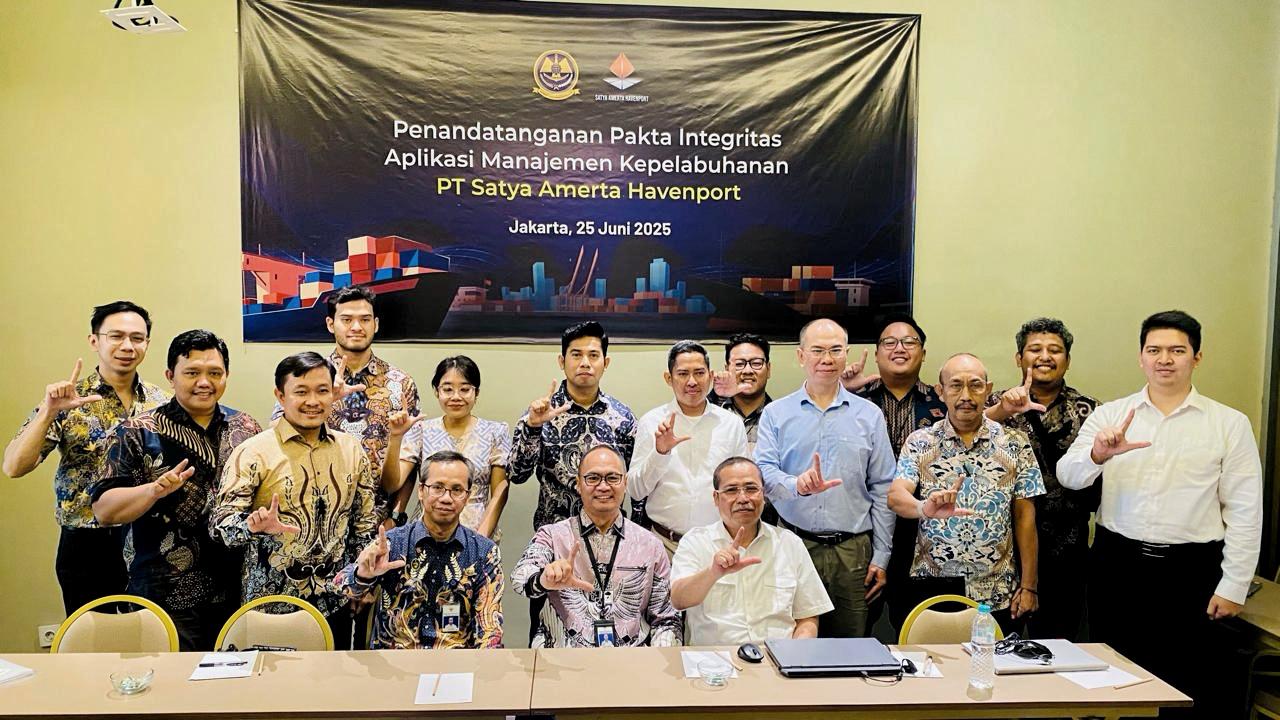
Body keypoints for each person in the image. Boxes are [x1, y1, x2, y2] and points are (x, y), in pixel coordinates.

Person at [1058, 310, 1262, 717]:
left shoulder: (1229, 424)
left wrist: (1234, 585)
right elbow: (1069, 476)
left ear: (1196, 358)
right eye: (1154, 350)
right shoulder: (1111, 415)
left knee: (1186, 682)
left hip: (1192, 571)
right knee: (1115, 678)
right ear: (1141, 358)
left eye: (1177, 351)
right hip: (1118, 564)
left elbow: (1245, 510)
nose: (1164, 359)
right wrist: (1098, 454)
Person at [92, 330, 261, 650]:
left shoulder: (246, 428)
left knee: (234, 678)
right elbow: (104, 511)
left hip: (234, 591)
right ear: (170, 376)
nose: (204, 382)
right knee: (169, 680)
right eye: (192, 373)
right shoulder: (136, 432)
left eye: (215, 373)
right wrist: (152, 491)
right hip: (161, 595)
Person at [3, 300, 168, 614]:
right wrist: (48, 413)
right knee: (93, 638)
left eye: (137, 338)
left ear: (147, 343)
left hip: (149, 541)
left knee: (150, 635)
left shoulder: (162, 403)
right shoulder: (68, 399)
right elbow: (13, 466)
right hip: (87, 544)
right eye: (116, 336)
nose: (127, 346)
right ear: (95, 341)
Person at [211, 352, 378, 649]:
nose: (313, 401)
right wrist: (252, 526)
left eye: (322, 391)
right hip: (268, 608)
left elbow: (363, 526)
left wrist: (362, 584)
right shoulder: (253, 451)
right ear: (280, 395)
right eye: (301, 392)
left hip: (334, 603)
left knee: (332, 679)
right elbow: (219, 526)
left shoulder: (352, 450)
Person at [754, 318, 897, 638]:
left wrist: (882, 555)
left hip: (852, 550)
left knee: (851, 643)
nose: (827, 359)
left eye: (835, 350)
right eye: (817, 350)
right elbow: (763, 473)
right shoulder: (777, 414)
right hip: (794, 544)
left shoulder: (869, 415)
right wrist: (796, 485)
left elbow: (883, 486)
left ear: (846, 354)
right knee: (791, 639)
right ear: (801, 356)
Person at [887, 353, 1045, 630]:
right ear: (940, 391)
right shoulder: (920, 442)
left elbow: (1025, 517)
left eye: (975, 385)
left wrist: (1029, 585)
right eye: (956, 385)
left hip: (997, 589)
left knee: (994, 657)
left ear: (988, 389)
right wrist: (924, 508)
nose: (966, 396)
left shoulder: (1015, 443)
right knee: (934, 657)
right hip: (933, 586)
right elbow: (896, 497)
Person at [509, 321, 637, 643]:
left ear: (606, 362)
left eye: (593, 355)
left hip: (609, 547)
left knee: (608, 633)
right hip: (554, 547)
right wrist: (533, 427)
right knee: (549, 634)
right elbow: (517, 474)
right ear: (561, 360)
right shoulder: (540, 412)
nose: (584, 363)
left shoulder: (622, 418)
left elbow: (634, 484)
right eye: (576, 354)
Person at [984, 318, 1098, 640]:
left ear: (1067, 360)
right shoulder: (996, 404)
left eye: (1055, 350)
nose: (1045, 357)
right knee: (995, 641)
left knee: (1057, 644)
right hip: (1002, 547)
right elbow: (962, 436)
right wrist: (1002, 412)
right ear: (1019, 358)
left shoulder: (1089, 411)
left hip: (1067, 548)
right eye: (1035, 349)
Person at [275, 285, 420, 527]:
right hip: (311, 518)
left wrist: (395, 518)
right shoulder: (306, 377)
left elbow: (408, 464)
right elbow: (277, 436)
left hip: (376, 524)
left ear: (376, 324)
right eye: (347, 319)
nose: (356, 327)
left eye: (365, 319)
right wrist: (325, 398)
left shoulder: (401, 383)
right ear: (331, 324)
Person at [512, 445, 680, 648]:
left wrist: (656, 660)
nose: (603, 486)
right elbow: (519, 579)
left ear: (625, 482)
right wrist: (544, 579)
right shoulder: (552, 536)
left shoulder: (650, 545)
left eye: (612, 478)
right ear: (578, 484)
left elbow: (666, 619)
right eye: (592, 478)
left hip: (630, 657)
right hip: (562, 657)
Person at [335, 450, 503, 649]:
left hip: (453, 662)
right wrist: (364, 575)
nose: (446, 498)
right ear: (421, 491)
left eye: (457, 490)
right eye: (437, 487)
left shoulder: (483, 552)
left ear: (467, 496)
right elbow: (339, 587)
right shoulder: (393, 543)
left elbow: (490, 630)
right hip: (394, 661)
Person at [843, 313, 947, 631]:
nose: (899, 348)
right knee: (854, 627)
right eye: (889, 342)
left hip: (925, 536)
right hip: (864, 534)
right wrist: (838, 388)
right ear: (877, 354)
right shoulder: (852, 402)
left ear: (923, 353)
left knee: (921, 628)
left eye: (909, 342)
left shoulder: (943, 404)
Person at [671, 457, 832, 645]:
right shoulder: (695, 541)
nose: (743, 498)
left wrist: (795, 653)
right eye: (731, 490)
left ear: (763, 495)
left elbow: (808, 616)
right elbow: (678, 600)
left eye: (751, 489)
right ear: (716, 498)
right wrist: (713, 573)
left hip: (777, 656)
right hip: (714, 657)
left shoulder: (789, 543)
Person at [628, 341, 748, 554]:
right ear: (669, 378)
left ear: (710, 376)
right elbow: (636, 491)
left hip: (717, 544)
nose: (692, 381)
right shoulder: (652, 422)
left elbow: (742, 486)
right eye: (683, 374)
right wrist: (660, 452)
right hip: (663, 544)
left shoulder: (731, 424)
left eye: (699, 373)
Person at [386, 356, 510, 539]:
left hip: (476, 530)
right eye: (447, 389)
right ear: (437, 391)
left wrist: (479, 540)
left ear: (476, 392)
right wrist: (395, 438)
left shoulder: (495, 432)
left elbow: (499, 493)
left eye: (465, 389)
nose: (456, 397)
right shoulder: (421, 430)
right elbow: (391, 484)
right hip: (425, 533)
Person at [706, 333, 774, 454]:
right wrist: (717, 396)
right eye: (739, 364)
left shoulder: (779, 417)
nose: (748, 371)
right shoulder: (710, 411)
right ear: (727, 369)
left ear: (768, 369)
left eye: (756, 363)